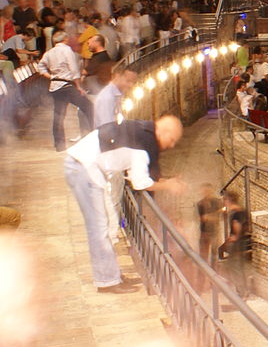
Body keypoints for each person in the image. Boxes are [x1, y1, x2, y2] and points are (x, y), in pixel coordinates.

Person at [63, 116, 185, 292]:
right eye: (172, 139)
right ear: (163, 131)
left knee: (108, 225)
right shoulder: (143, 146)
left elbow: (137, 169)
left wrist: (165, 181)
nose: (171, 145)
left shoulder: (141, 131)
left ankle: (111, 275)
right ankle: (107, 281)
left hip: (86, 167)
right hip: (83, 168)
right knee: (99, 228)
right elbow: (140, 182)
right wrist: (168, 186)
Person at [41, 34, 93, 151]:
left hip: (55, 86)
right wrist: (79, 86)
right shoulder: (66, 50)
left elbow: (40, 67)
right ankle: (94, 136)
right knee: (89, 107)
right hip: (67, 85)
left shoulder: (49, 53)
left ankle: (59, 145)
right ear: (65, 39)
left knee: (59, 115)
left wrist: (51, 76)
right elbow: (73, 69)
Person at [219, 187, 252, 298]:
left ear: (227, 200)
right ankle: (243, 290)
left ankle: (241, 292)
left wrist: (230, 240)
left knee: (234, 267)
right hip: (243, 242)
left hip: (236, 244)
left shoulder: (235, 213)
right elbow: (247, 227)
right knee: (239, 267)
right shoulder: (243, 211)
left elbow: (236, 230)